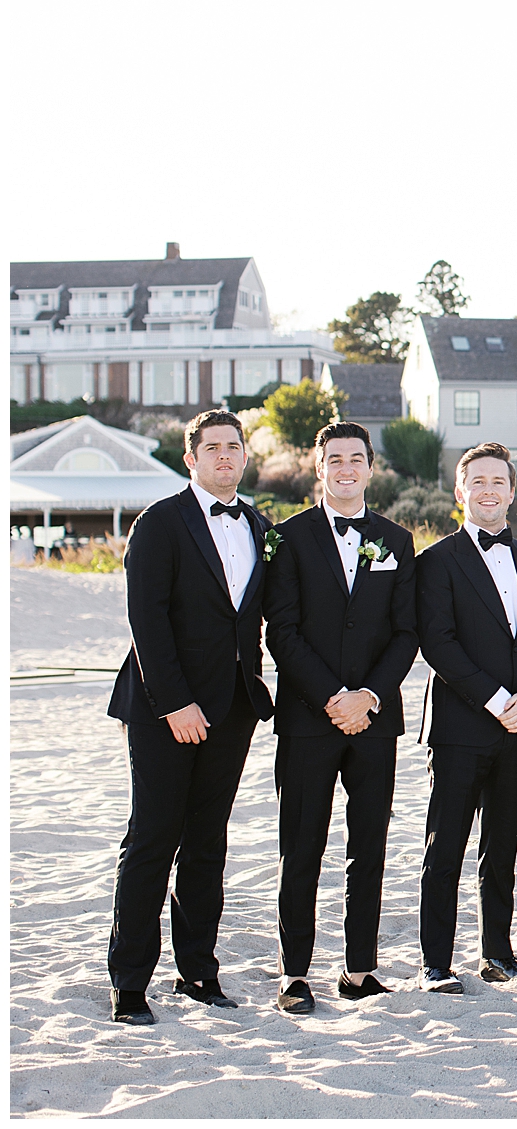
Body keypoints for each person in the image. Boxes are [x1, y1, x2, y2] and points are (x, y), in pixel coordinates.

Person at [105, 409, 277, 1024]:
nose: (225, 457)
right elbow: (147, 621)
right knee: (153, 837)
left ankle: (198, 973)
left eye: (234, 447)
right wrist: (174, 703)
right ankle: (129, 982)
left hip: (232, 708)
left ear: (244, 458)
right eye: (213, 448)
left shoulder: (258, 524)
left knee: (208, 843)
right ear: (192, 458)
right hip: (163, 707)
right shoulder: (160, 523)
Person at [264, 421, 419, 1014]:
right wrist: (333, 697)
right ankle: (295, 974)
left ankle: (358, 969)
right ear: (318, 466)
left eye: (357, 458)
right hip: (308, 718)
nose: (346, 468)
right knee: (301, 846)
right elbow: (282, 630)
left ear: (371, 468)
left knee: (369, 845)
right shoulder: (289, 538)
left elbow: (406, 633)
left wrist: (370, 697)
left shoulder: (397, 540)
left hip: (376, 722)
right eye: (335, 458)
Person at [414, 443, 517, 994]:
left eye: (498, 481)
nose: (489, 490)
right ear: (461, 491)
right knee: (445, 846)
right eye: (477, 481)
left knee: (503, 847)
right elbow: (439, 644)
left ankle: (498, 954)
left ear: (512, 489)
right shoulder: (435, 561)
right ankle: (435, 963)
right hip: (460, 727)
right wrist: (498, 700)